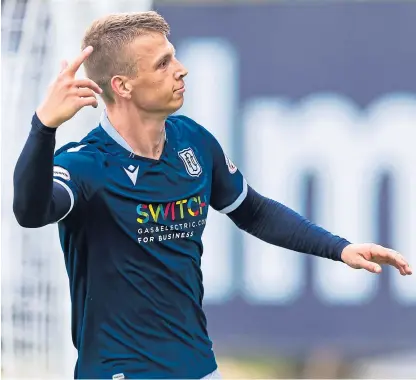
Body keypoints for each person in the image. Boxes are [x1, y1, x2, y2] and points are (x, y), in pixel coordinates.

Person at [13, 11, 412, 380]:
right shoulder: (85, 164)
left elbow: (252, 211)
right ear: (122, 85)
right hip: (121, 372)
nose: (181, 70)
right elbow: (31, 212)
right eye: (163, 63)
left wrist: (339, 249)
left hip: (199, 366)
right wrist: (43, 127)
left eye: (174, 57)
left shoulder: (194, 142)